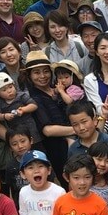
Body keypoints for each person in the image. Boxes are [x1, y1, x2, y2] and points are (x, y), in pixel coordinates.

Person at [24, 51, 73, 186]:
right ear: (29, 76)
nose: (42, 76)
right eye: (36, 72)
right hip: (58, 150)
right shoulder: (34, 99)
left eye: (46, 71)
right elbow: (48, 130)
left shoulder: (58, 89)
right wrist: (78, 129)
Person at [67, 100, 108, 179]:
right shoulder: (73, 148)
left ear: (95, 120)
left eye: (84, 122)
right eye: (75, 124)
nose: (81, 128)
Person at [0, 72, 42, 147]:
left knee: (37, 147)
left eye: (10, 87)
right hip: (15, 131)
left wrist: (23, 109)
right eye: (4, 90)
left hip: (30, 128)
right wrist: (4, 116)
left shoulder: (21, 96)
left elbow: (34, 105)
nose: (9, 91)